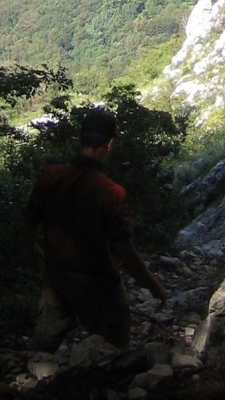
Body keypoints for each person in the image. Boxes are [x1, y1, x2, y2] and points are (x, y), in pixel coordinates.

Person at [22, 107, 168, 351]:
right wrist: (154, 286)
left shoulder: (51, 176)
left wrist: (30, 248)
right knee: (115, 345)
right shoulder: (112, 192)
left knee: (44, 342)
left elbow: (29, 218)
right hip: (98, 282)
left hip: (56, 273)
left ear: (80, 140)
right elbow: (125, 251)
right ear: (109, 144)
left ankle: (31, 370)